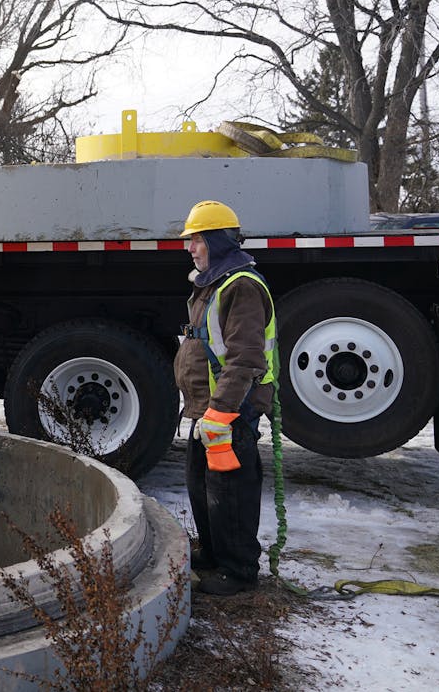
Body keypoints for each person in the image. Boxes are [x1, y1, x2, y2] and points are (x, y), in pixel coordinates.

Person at [175, 200, 277, 597]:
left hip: (230, 410)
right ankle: (215, 554)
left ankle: (238, 571)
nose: (190, 248)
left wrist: (223, 410)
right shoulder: (213, 283)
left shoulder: (242, 286)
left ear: (217, 241)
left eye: (196, 240)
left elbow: (246, 357)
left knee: (230, 489)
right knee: (202, 484)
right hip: (210, 409)